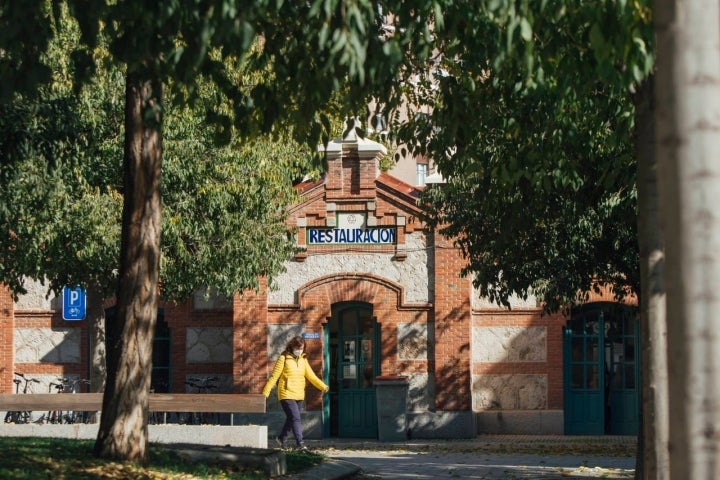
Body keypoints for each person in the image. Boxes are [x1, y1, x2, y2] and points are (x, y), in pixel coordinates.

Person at [262, 335, 329, 450]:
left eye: (301, 348)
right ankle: (300, 443)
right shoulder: (283, 358)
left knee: (291, 418)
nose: (299, 350)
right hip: (286, 393)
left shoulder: (303, 360)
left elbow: (311, 376)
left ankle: (281, 439)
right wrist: (265, 393)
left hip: (299, 394)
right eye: (297, 348)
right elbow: (274, 376)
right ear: (291, 347)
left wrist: (323, 386)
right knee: (296, 418)